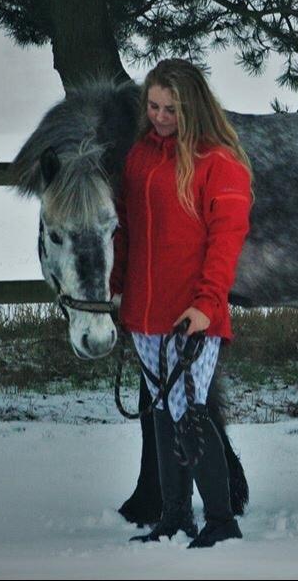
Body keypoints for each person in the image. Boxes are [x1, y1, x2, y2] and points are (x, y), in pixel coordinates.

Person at [110, 59, 253, 548]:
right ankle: (174, 518)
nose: (160, 116)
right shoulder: (138, 159)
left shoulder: (220, 162)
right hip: (144, 314)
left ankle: (221, 520)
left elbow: (227, 240)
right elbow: (126, 231)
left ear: (193, 106)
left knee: (191, 411)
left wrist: (208, 303)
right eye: (153, 106)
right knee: (162, 412)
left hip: (192, 315)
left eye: (171, 108)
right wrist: (116, 283)